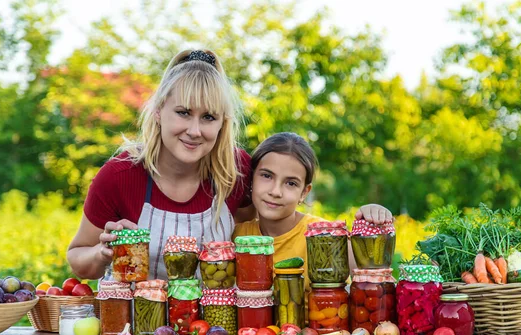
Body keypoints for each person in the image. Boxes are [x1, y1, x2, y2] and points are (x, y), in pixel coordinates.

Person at [67, 49, 255, 281]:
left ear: (222, 123)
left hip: (215, 317)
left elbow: (258, 232)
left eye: (208, 117)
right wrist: (101, 253)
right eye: (183, 112)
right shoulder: (119, 176)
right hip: (133, 317)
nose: (194, 131)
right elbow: (78, 258)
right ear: (158, 111)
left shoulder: (236, 170)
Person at [232, 132, 393, 287]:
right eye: (267, 176)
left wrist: (372, 219)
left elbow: (372, 273)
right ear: (251, 179)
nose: (275, 191)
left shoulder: (323, 236)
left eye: (291, 183)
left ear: (304, 192)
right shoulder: (237, 237)